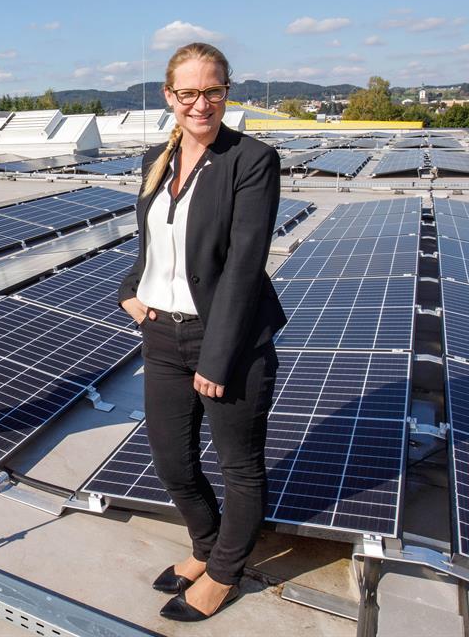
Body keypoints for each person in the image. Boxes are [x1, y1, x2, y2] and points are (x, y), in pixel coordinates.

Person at [118, 42, 286, 622]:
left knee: (239, 466)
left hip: (229, 340)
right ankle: (203, 543)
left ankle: (223, 572)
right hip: (162, 335)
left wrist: (217, 358)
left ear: (226, 92)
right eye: (187, 92)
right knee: (172, 462)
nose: (200, 103)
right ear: (169, 97)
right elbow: (153, 238)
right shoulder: (155, 158)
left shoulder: (251, 160)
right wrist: (130, 289)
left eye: (211, 90)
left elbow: (244, 263)